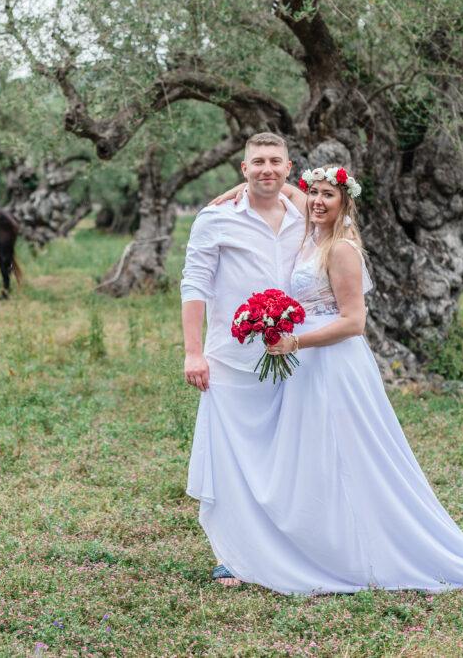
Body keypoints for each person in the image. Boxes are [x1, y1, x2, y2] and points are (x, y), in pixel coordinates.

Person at [195, 164, 463, 606]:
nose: (317, 200)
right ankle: (320, 538)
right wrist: (238, 190)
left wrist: (294, 340)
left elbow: (354, 322)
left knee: (346, 452)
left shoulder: (340, 248)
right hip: (306, 365)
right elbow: (279, 184)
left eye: (328, 195)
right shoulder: (312, 230)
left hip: (333, 363)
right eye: (314, 193)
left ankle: (358, 547)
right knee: (311, 455)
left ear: (346, 202)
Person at [180, 132, 304, 587]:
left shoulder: (305, 217)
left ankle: (283, 545)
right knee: (231, 458)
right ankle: (231, 555)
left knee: (286, 455)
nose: (266, 169)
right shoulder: (214, 219)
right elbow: (194, 284)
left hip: (293, 357)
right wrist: (194, 352)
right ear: (243, 169)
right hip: (230, 360)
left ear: (289, 168)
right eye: (258, 162)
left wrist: (295, 195)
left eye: (275, 161)